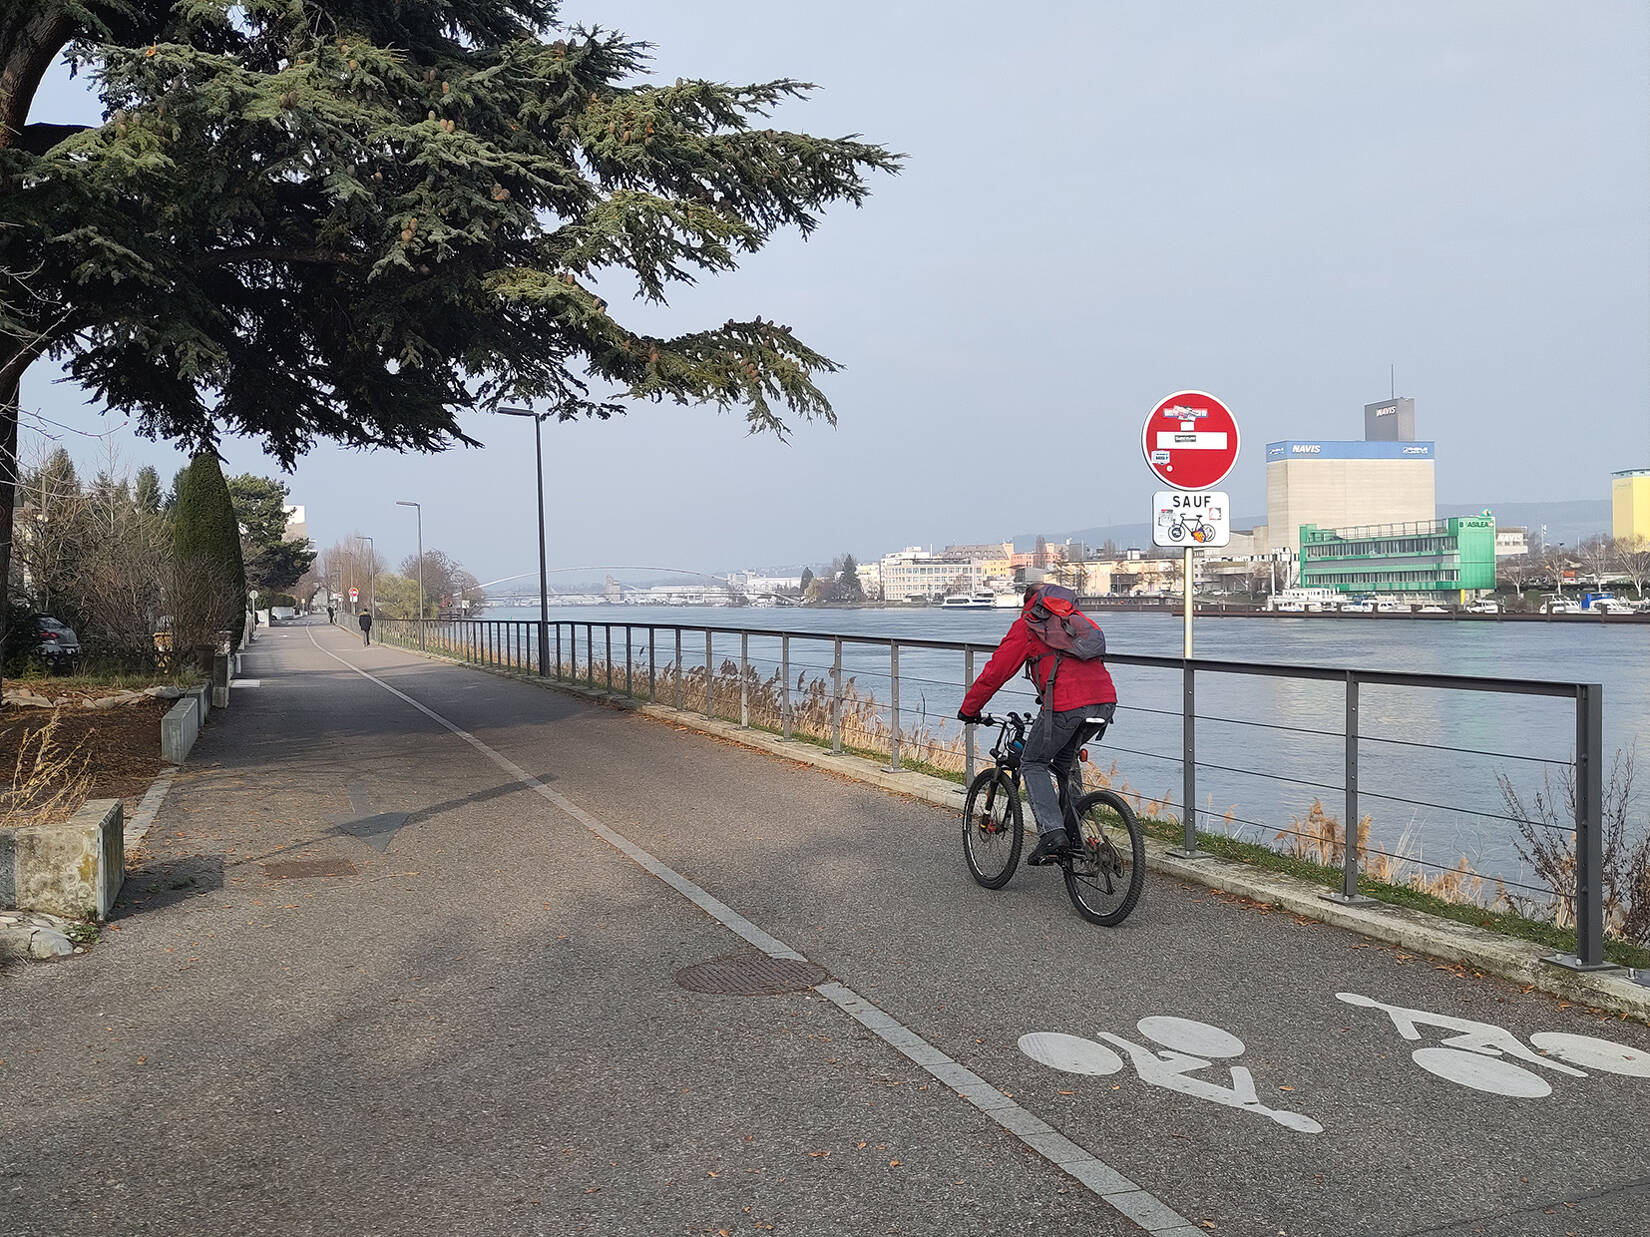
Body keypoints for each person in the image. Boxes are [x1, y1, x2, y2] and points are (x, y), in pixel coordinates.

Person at [957, 574, 1118, 866]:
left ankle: (1053, 834)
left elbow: (996, 672)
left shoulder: (1030, 624)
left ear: (1028, 602)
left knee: (1033, 762)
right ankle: (1074, 835)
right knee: (1065, 763)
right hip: (1105, 702)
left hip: (1066, 706)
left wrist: (970, 709)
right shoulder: (1077, 620)